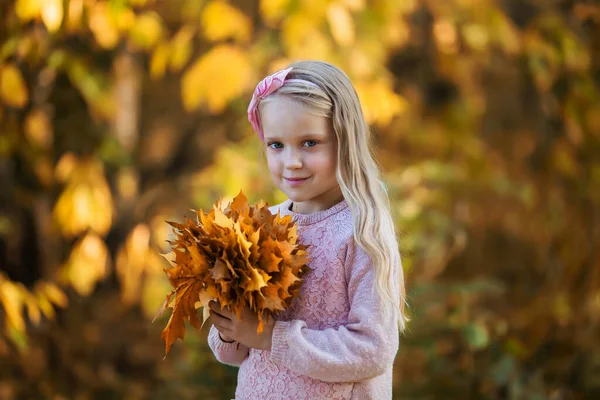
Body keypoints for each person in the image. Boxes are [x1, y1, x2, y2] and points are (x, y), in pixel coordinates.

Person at [207, 60, 407, 400]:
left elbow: (373, 349)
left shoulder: (361, 232)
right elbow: (232, 353)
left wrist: (273, 337)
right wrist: (229, 330)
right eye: (277, 145)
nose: (292, 161)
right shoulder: (260, 226)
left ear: (345, 140)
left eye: (310, 143)